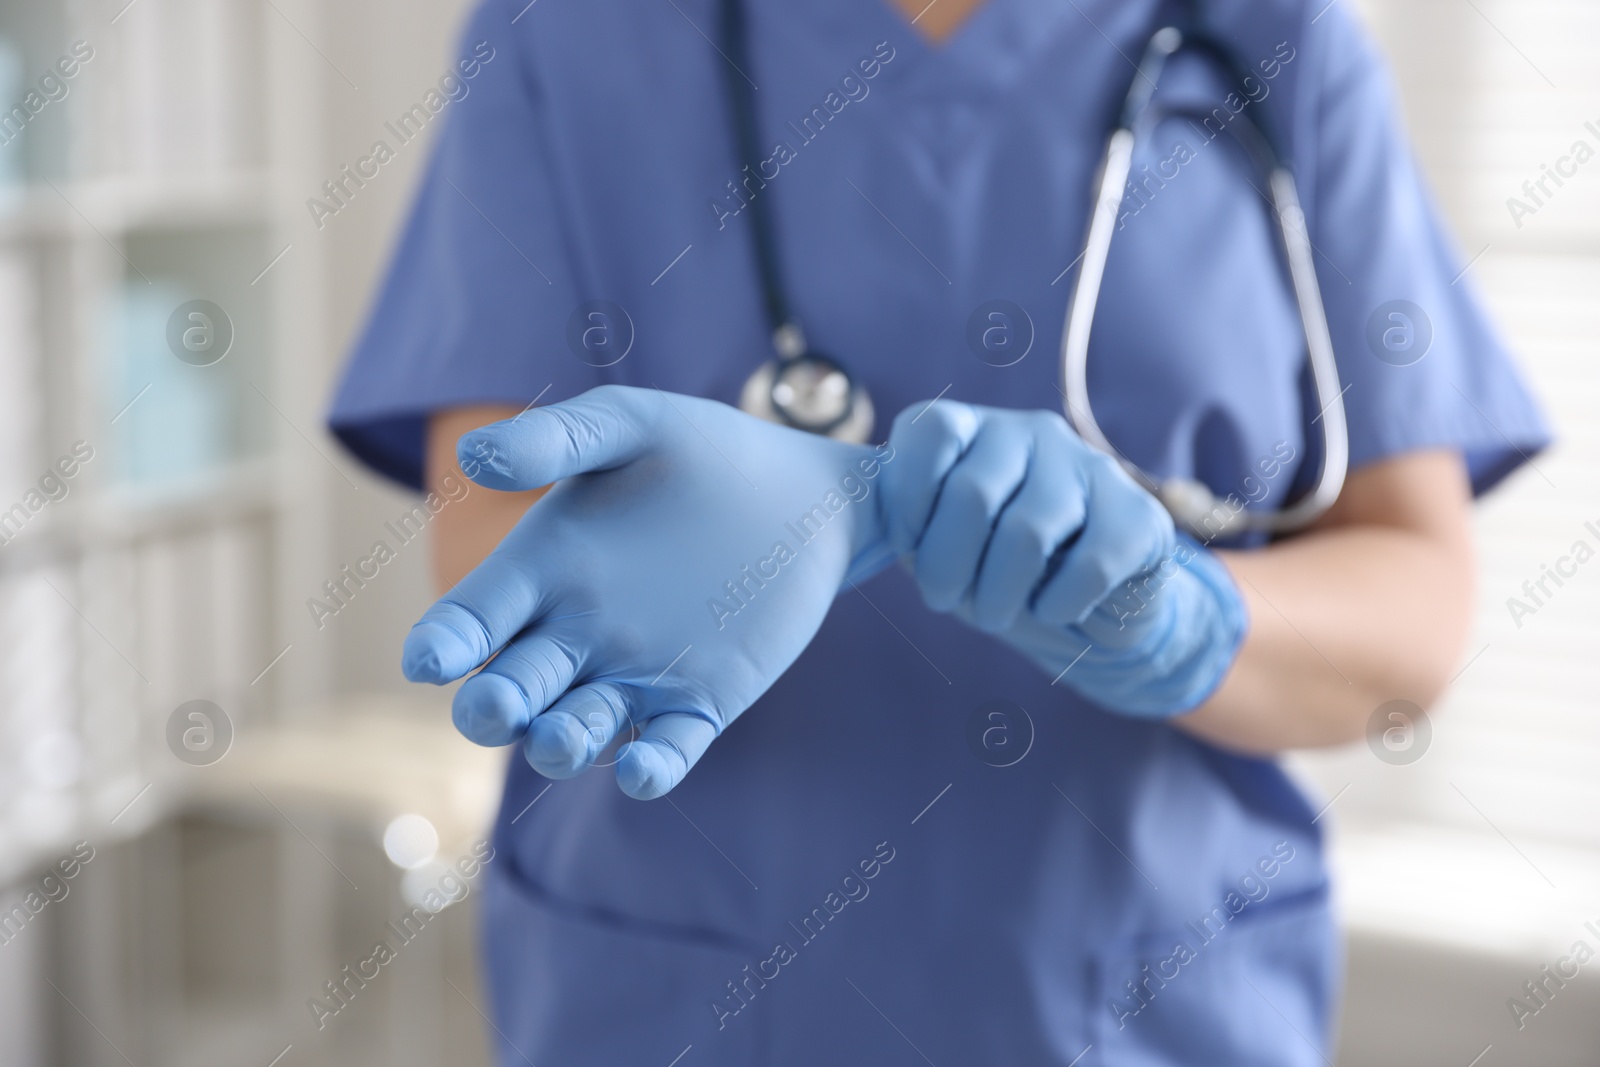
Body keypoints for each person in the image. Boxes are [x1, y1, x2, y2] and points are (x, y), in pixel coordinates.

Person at [328, 0, 1547, 1061]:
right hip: (689, 996)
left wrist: (1187, 622)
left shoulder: (1276, 37)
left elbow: (1413, 601)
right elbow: (485, 530)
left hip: (1152, 1004)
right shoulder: (568, 33)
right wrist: (683, 526)